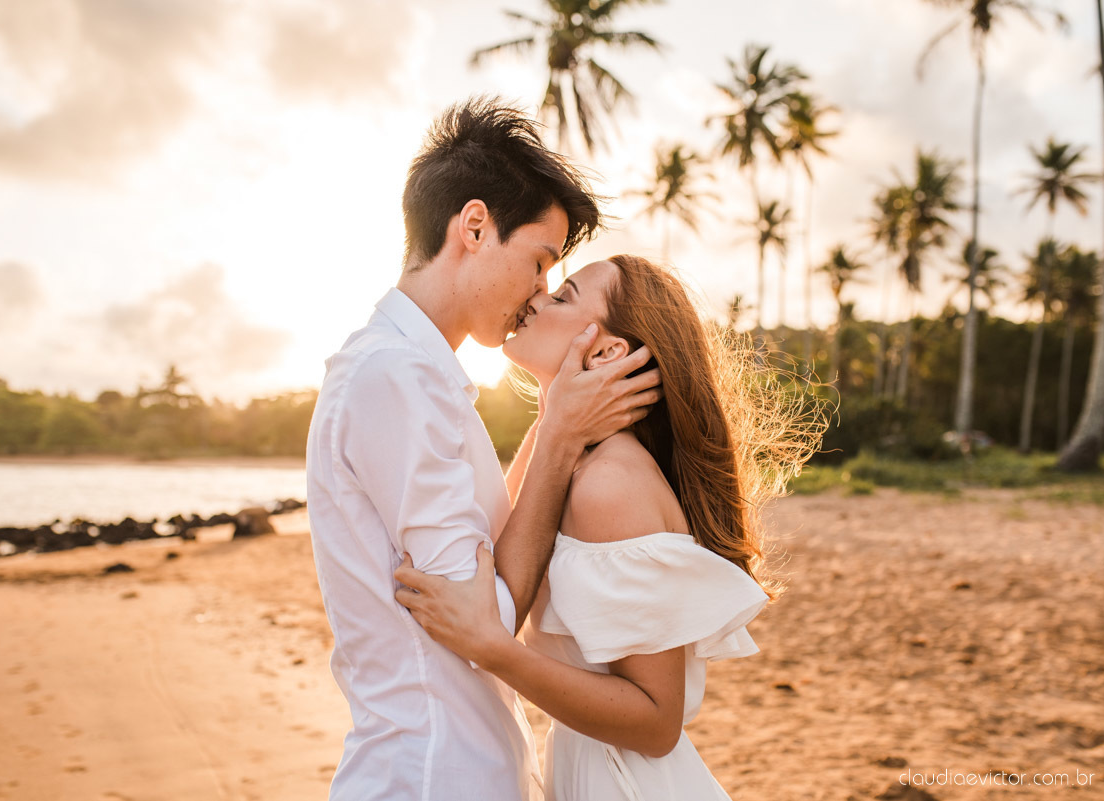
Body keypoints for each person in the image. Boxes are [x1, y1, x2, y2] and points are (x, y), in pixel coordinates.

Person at [305, 100, 663, 801]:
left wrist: (553, 422)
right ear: (474, 226)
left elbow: (488, 564)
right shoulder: (396, 375)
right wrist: (557, 435)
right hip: (430, 775)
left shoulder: (416, 373)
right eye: (538, 261)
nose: (536, 291)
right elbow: (487, 621)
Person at [395, 255, 823, 801]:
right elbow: (502, 552)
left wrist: (494, 648)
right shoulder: (569, 458)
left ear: (607, 351)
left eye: (564, 295)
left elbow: (656, 721)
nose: (537, 296)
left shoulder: (611, 485)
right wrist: (557, 418)